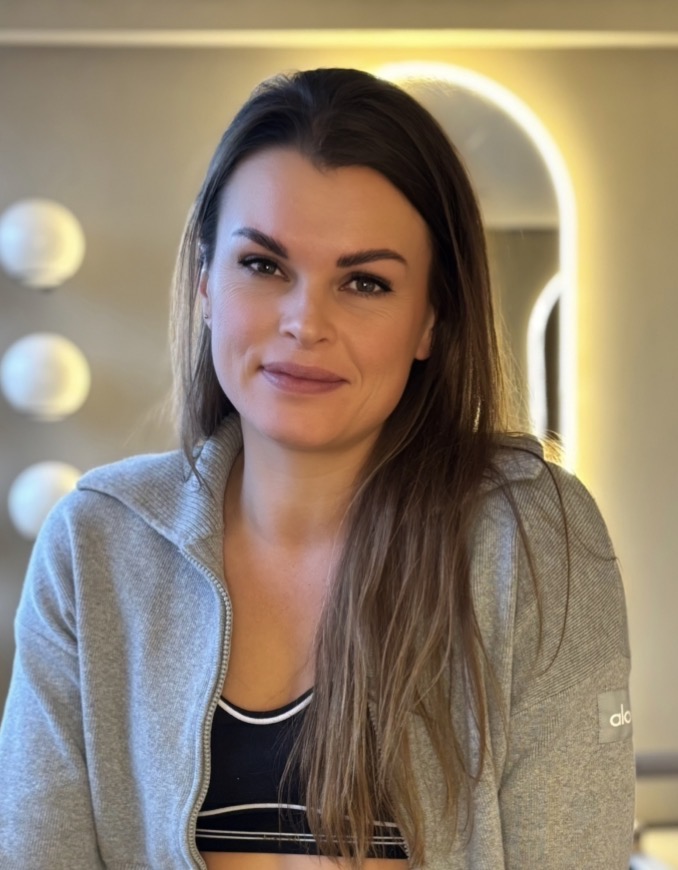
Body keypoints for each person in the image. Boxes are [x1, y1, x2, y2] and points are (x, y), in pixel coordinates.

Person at [0, 67, 634, 870]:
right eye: (264, 265)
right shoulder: (95, 544)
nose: (306, 322)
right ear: (205, 283)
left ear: (430, 321)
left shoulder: (534, 539)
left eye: (365, 282)